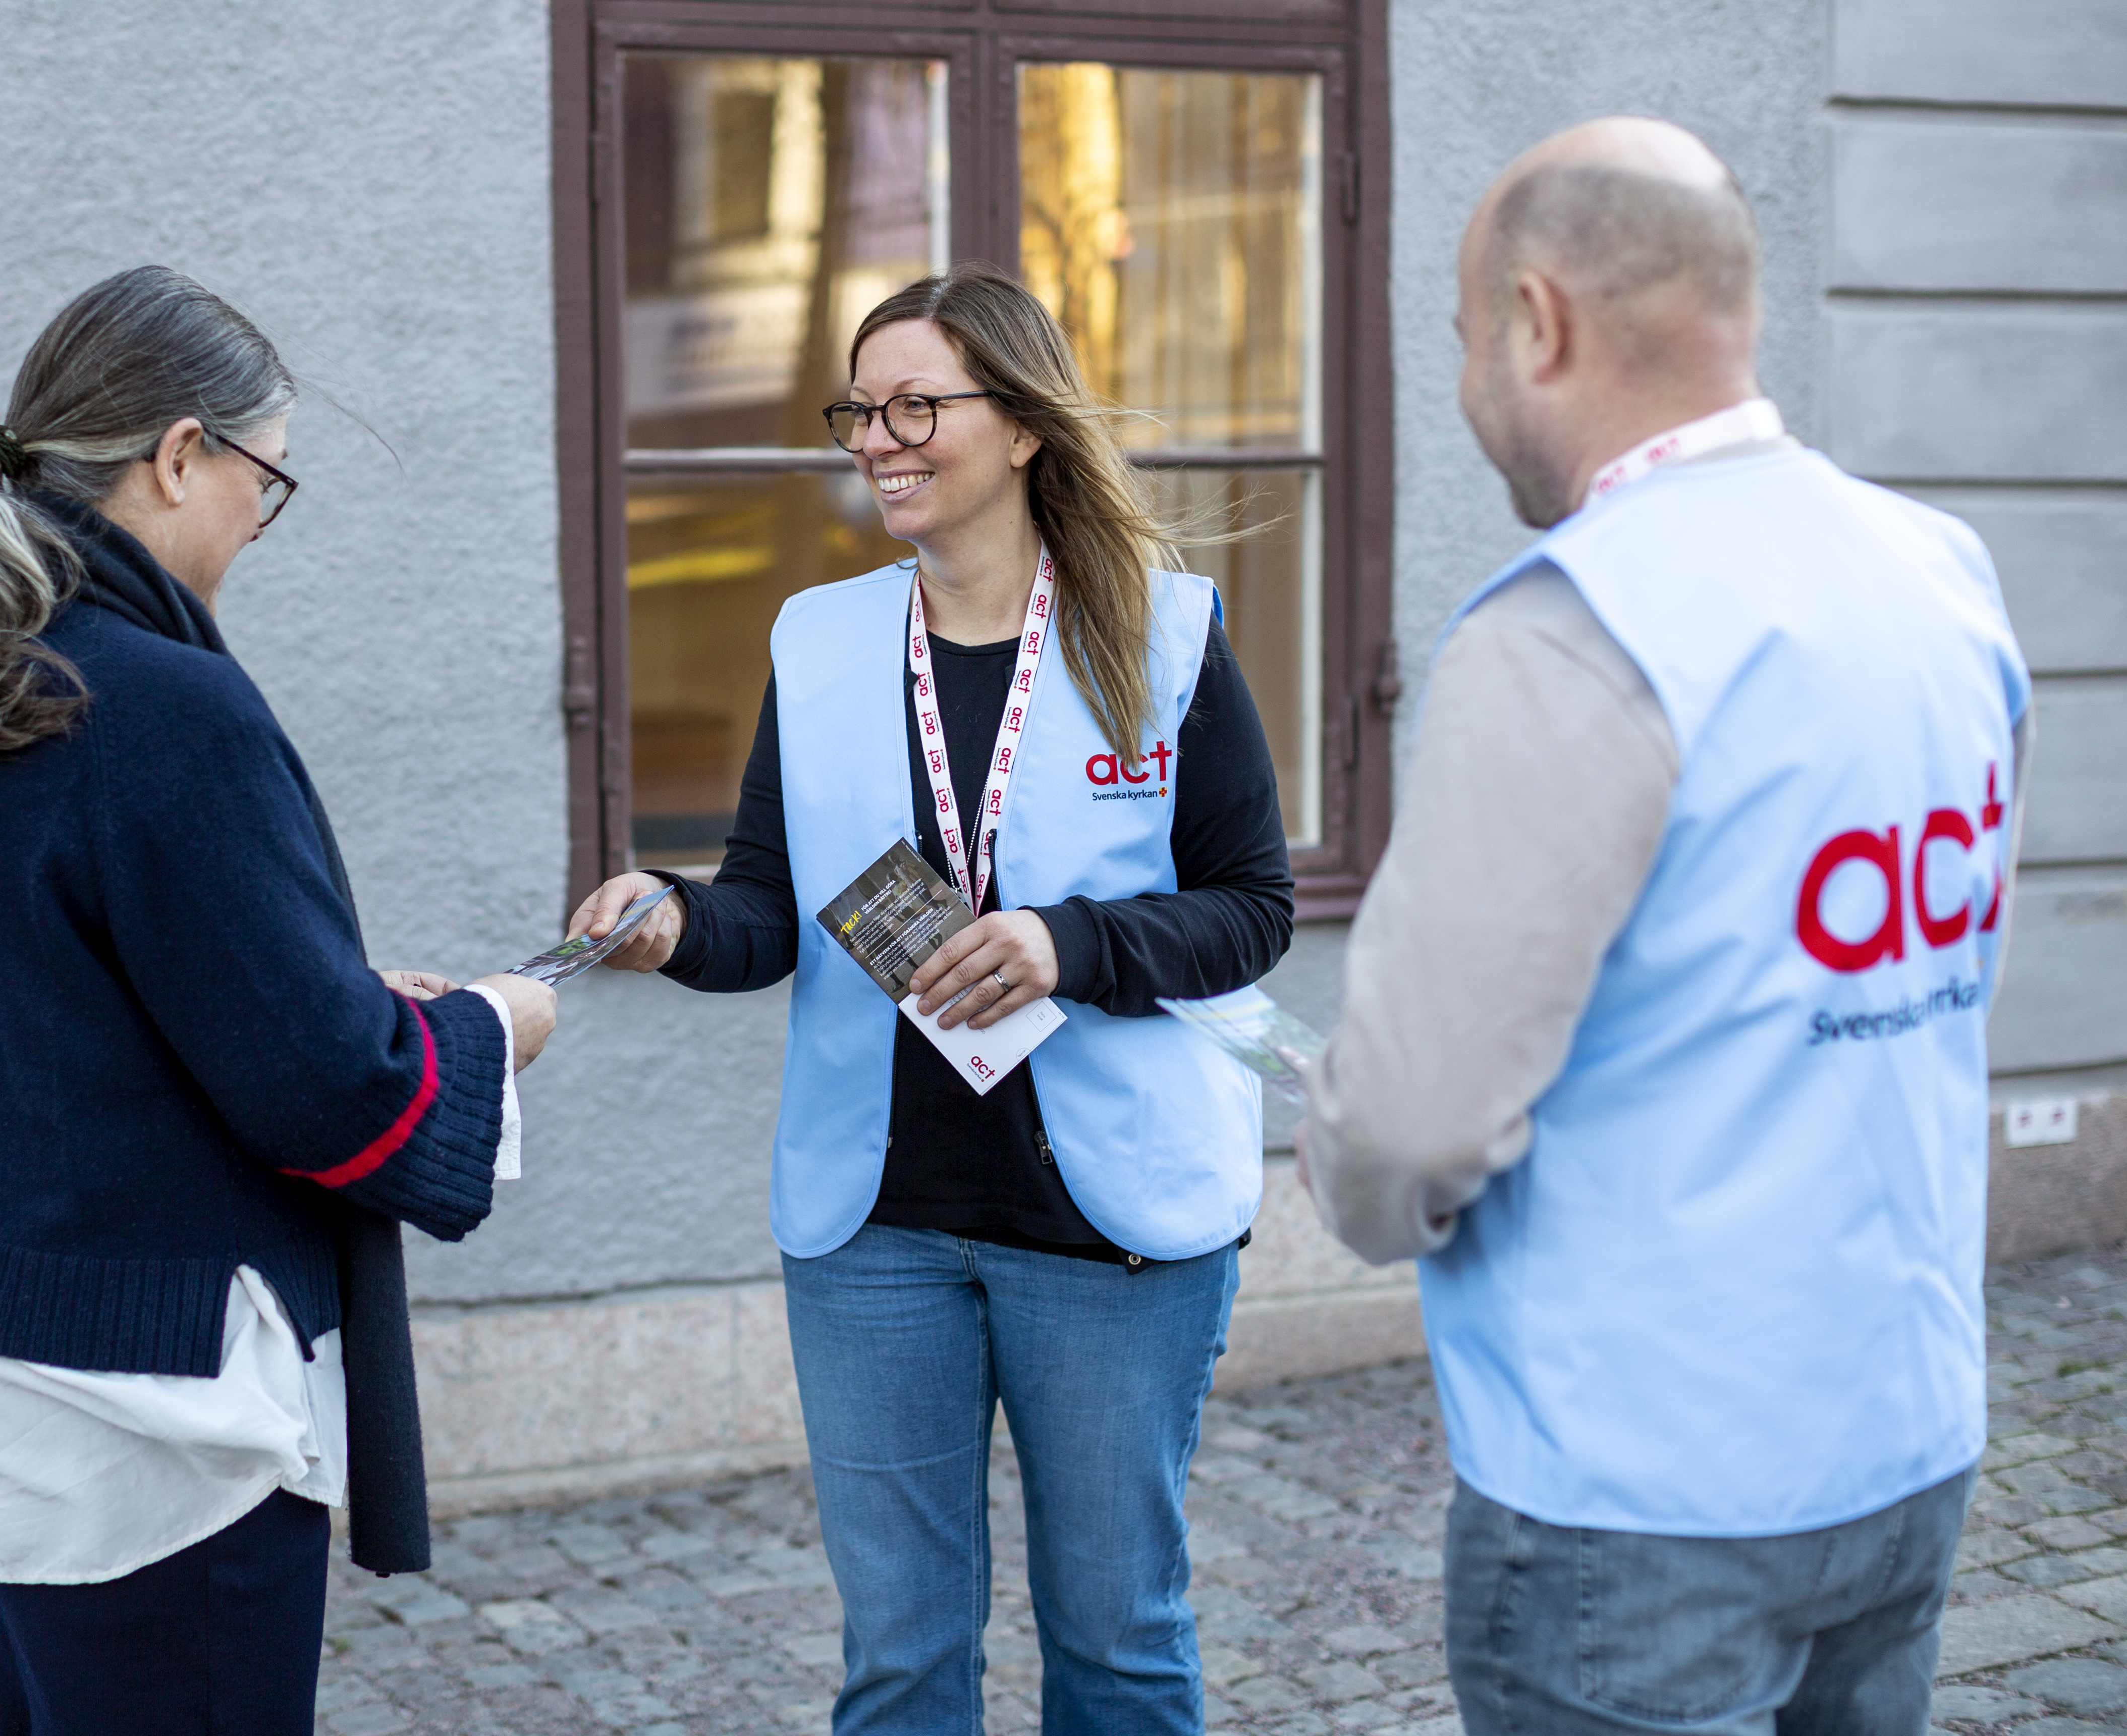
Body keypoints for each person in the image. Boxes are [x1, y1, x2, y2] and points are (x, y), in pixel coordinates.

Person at [1299, 120, 2033, 1734]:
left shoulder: (1574, 629)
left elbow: (1409, 1129)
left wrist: (1341, 1166)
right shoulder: (1941, 575)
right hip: (1903, 1432)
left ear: (1541, 322)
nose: (1472, 384)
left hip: (1641, 1483)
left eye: (1467, 338)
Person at [572, 263, 1295, 1732]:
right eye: (861, 408)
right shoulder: (821, 641)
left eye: (919, 406)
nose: (879, 439)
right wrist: (672, 924)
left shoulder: (1164, 634)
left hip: (1112, 1235)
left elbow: (1253, 913)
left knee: (1119, 1642)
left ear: (1022, 426)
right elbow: (769, 909)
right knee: (900, 1658)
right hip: (875, 1234)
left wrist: (1063, 947)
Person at [0, 265, 556, 1736]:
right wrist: (493, 1024)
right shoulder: (168, 704)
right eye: (265, 478)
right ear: (182, 453)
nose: (257, 518)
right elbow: (333, 1089)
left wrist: (325, 986)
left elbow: (65, 991)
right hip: (147, 1385)